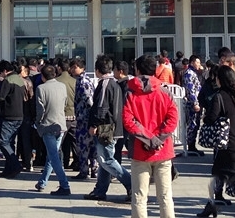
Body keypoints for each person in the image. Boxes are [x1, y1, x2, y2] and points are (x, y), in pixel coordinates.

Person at [123, 54, 179, 218]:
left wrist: (148, 139)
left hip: (140, 150)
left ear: (137, 70)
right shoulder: (165, 92)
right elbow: (173, 119)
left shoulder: (131, 93)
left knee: (139, 197)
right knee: (165, 197)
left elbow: (128, 121)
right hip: (163, 149)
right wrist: (158, 139)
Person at [198, 65, 235, 217]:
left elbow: (211, 117)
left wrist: (206, 118)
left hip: (225, 141)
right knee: (218, 172)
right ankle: (211, 204)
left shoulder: (219, 96)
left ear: (221, 80)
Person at [84, 56, 132, 203]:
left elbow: (101, 108)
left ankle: (132, 184)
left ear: (98, 70)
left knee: (107, 160)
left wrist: (94, 125)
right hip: (114, 126)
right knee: (104, 161)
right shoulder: (115, 84)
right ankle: (100, 190)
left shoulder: (105, 84)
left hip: (106, 128)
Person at [34, 63, 72, 196]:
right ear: (55, 74)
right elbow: (65, 103)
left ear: (42, 76)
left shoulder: (41, 88)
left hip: (47, 125)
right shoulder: (62, 86)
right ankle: (42, 182)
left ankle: (64, 185)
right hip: (60, 124)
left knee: (54, 157)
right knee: (52, 155)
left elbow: (40, 109)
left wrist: (37, 123)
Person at [0, 60, 24, 179]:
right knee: (10, 142)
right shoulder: (20, 80)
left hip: (8, 115)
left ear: (4, 71)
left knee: (2, 141)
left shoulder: (8, 80)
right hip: (19, 115)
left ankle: (15, 164)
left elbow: (1, 97)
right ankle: (9, 169)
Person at [70, 58, 97, 180]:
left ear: (81, 68)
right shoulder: (83, 80)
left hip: (85, 119)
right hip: (85, 118)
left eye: (75, 67)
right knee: (90, 146)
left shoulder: (83, 81)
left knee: (84, 145)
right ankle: (93, 169)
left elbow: (89, 100)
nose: (72, 69)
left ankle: (85, 171)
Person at [182, 55, 204, 156]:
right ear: (192, 63)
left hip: (196, 102)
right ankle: (191, 146)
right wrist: (195, 103)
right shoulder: (189, 74)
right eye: (197, 62)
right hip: (192, 104)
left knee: (195, 124)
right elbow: (190, 89)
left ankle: (192, 145)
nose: (199, 64)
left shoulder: (193, 73)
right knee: (192, 124)